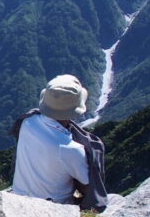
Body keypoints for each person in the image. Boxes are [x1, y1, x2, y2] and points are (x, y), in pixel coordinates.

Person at [10, 74, 90, 204]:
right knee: (113, 199)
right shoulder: (71, 149)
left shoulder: (27, 121)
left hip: (18, 198)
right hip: (53, 207)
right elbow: (86, 185)